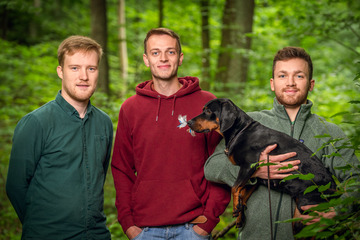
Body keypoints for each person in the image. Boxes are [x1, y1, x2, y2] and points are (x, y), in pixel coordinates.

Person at [204, 47, 359, 239]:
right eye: (282, 75)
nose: (291, 82)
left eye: (299, 76)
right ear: (272, 83)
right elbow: (212, 167)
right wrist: (254, 170)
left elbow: (356, 180)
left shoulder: (329, 132)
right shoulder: (245, 123)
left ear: (311, 84)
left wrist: (338, 210)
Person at [111, 28, 230, 240]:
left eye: (170, 52)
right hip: (144, 229)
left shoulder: (207, 104)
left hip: (194, 227)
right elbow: (122, 169)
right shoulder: (130, 108)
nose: (163, 58)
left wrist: (208, 221)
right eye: (155, 53)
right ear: (146, 60)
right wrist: (129, 225)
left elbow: (222, 162)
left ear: (180, 58)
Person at [6, 35, 113, 239]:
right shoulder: (36, 123)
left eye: (91, 68)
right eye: (74, 68)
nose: (84, 76)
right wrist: (42, 225)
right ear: (60, 72)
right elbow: (15, 186)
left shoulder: (104, 123)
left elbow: (101, 174)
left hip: (96, 235)